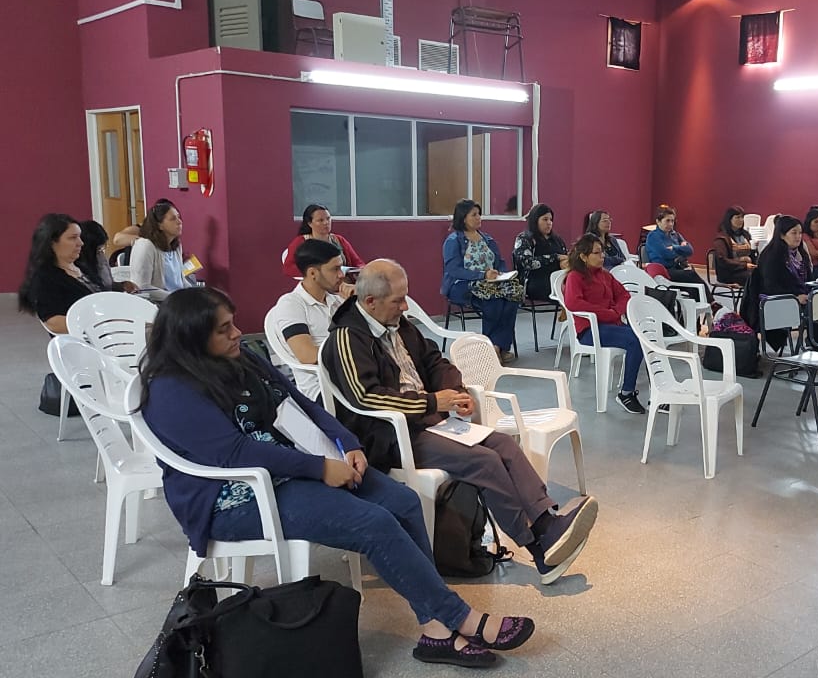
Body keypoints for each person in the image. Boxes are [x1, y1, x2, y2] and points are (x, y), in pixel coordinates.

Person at [138, 287, 534, 668]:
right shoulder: (172, 389)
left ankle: (434, 628)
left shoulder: (241, 358)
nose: (237, 333)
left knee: (403, 502)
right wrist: (320, 468)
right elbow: (234, 454)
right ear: (191, 339)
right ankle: (459, 618)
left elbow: (299, 402)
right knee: (373, 524)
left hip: (294, 465)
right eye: (223, 329)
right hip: (236, 496)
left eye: (233, 323)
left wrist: (346, 443)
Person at [324, 259, 599, 585]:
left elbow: (433, 360)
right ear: (370, 302)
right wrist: (432, 401)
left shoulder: (398, 324)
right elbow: (365, 397)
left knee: (503, 443)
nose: (406, 306)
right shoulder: (346, 338)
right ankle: (537, 544)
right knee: (483, 461)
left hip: (427, 422)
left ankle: (546, 523)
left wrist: (455, 390)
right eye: (398, 300)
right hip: (390, 436)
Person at [563, 234, 645, 414]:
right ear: (584, 256)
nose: (602, 257)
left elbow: (624, 295)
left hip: (611, 324)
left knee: (646, 336)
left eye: (602, 253)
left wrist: (616, 311)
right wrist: (608, 314)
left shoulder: (604, 275)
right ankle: (626, 393)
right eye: (597, 253)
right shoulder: (575, 277)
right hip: (589, 330)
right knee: (635, 340)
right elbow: (573, 303)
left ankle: (657, 394)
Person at [266, 239, 356, 400]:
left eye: (341, 268)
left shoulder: (338, 301)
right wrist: (358, 352)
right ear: (313, 273)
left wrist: (358, 301)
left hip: (356, 380)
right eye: (335, 269)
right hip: (324, 390)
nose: (342, 275)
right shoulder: (291, 304)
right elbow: (308, 356)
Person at [441, 199, 522, 363]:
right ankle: (492, 348)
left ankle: (497, 346)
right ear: (463, 218)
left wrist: (502, 275)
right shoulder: (453, 241)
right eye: (474, 215)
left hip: (491, 283)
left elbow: (499, 262)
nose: (479, 218)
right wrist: (482, 275)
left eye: (479, 214)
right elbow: (453, 270)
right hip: (462, 285)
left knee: (512, 298)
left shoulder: (487, 239)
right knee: (494, 302)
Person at [739, 216, 813, 352]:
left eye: (800, 233)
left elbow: (808, 280)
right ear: (782, 235)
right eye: (794, 233)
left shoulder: (800, 254)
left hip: (800, 299)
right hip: (777, 302)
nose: (798, 237)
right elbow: (770, 287)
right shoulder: (771, 256)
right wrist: (795, 298)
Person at [18, 214, 97, 334]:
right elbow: (53, 323)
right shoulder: (45, 278)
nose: (81, 243)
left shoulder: (81, 267)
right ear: (52, 243)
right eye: (72, 238)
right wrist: (99, 324)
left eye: (80, 237)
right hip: (83, 342)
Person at [129, 201, 196, 302]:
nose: (179, 222)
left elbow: (181, 281)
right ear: (160, 225)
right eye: (173, 219)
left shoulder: (176, 245)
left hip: (176, 301)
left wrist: (194, 293)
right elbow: (142, 287)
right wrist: (176, 298)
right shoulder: (146, 245)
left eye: (179, 217)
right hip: (158, 303)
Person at [645, 205, 712, 303]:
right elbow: (666, 254)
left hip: (677, 269)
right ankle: (712, 304)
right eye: (667, 221)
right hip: (663, 272)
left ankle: (701, 309)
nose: (671, 224)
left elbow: (690, 250)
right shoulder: (653, 236)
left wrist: (675, 248)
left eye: (672, 221)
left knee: (693, 287)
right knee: (691, 275)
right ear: (658, 221)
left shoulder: (675, 235)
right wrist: (681, 250)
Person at [282, 204, 365, 278]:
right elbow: (288, 268)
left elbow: (358, 263)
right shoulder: (301, 242)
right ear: (310, 223)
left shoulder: (339, 240)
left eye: (328, 219)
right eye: (320, 220)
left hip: (343, 281)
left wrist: (360, 269)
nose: (326, 223)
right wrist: (319, 272)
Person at [512, 203, 568, 302]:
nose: (549, 223)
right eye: (545, 219)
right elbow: (527, 263)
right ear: (535, 220)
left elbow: (565, 256)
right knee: (568, 289)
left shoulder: (557, 239)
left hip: (558, 278)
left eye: (551, 220)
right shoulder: (525, 238)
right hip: (535, 282)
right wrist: (555, 258)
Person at [76, 220, 137, 293]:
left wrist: (122, 285)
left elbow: (108, 284)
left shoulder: (100, 257)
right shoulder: (79, 267)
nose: (101, 254)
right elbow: (97, 289)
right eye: (99, 250)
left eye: (102, 249)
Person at [712, 206, 756, 285]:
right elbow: (723, 261)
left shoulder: (746, 235)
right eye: (737, 217)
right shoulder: (722, 238)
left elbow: (752, 256)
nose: (741, 220)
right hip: (729, 273)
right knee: (754, 278)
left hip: (746, 269)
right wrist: (744, 266)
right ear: (729, 219)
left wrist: (754, 249)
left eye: (742, 217)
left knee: (767, 274)